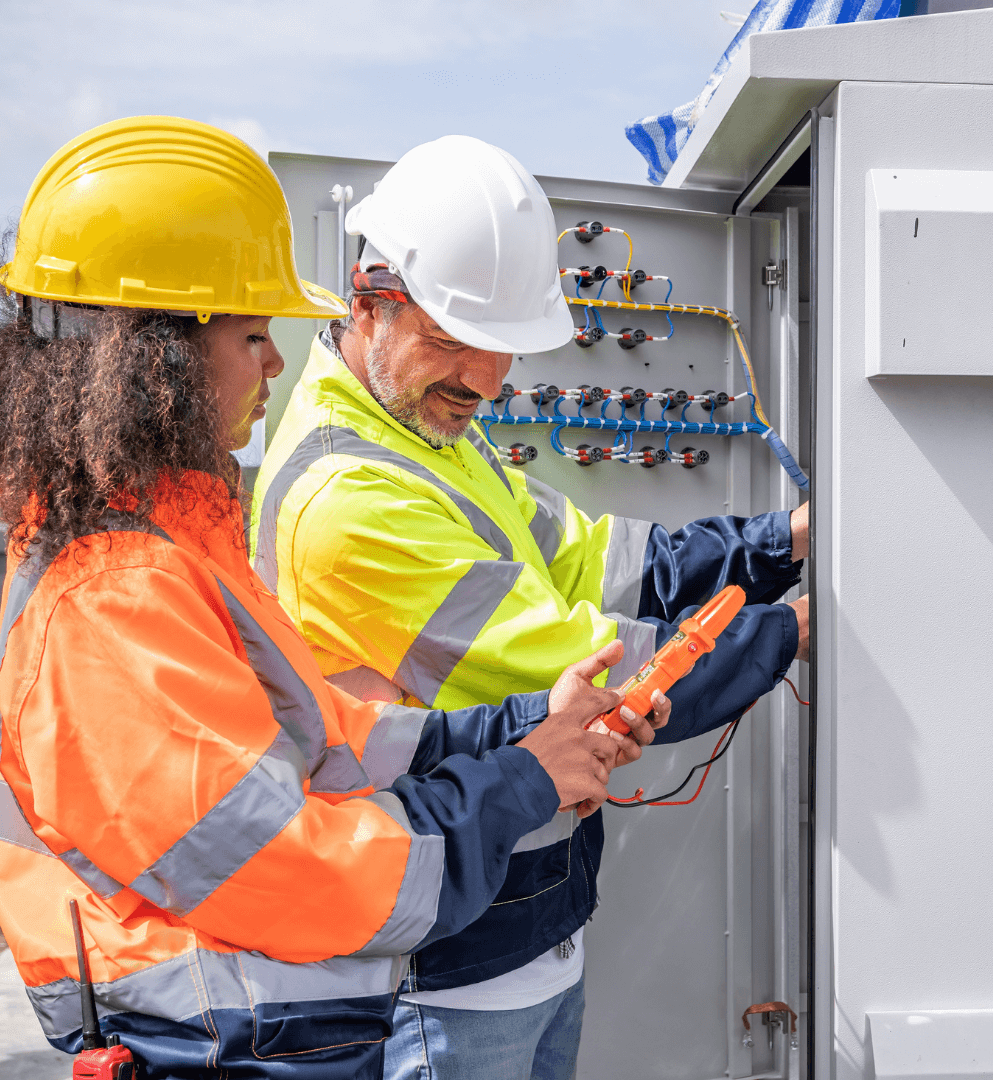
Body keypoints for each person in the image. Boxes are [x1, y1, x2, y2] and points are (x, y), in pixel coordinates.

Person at [0, 117, 667, 1080]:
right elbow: (291, 865)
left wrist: (511, 731)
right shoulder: (113, 596)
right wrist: (523, 780)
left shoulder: (166, 532)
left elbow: (315, 737)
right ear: (155, 357)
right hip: (212, 1045)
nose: (275, 362)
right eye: (253, 334)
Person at [251, 135, 810, 1080]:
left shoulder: (428, 431)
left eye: (503, 347)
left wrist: (783, 542)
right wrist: (808, 631)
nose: (484, 379)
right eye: (451, 340)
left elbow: (602, 562)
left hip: (526, 927)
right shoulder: (346, 499)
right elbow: (598, 679)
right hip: (448, 973)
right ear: (366, 300)